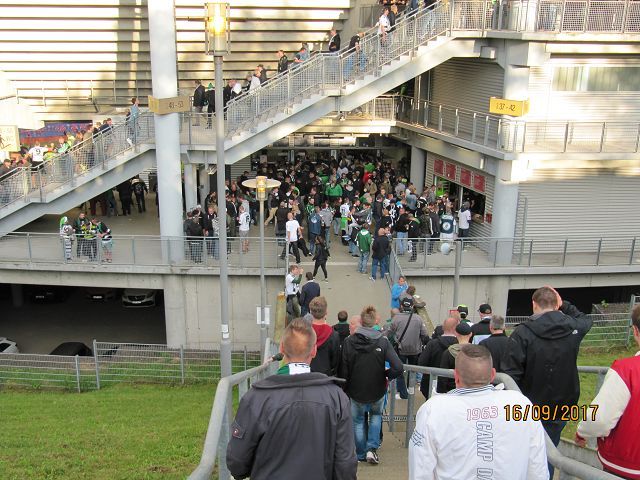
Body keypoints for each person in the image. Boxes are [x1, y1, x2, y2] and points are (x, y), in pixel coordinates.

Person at [226, 319, 357, 480]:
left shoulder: (255, 398)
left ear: (281, 348)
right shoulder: (337, 398)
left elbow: (237, 463)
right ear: (314, 350)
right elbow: (345, 464)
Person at [408, 345, 549, 480]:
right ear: (492, 374)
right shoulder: (520, 404)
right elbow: (537, 465)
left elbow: (421, 468)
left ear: (456, 376)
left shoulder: (434, 409)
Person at [501, 285, 592, 478]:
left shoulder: (522, 333)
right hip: (562, 404)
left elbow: (510, 373)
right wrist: (564, 304)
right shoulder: (573, 327)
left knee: (524, 450)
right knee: (550, 449)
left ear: (534, 304)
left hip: (529, 405)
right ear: (556, 304)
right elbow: (586, 319)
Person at [575, 303, 640, 479]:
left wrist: (582, 432)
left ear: (635, 331)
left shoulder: (626, 371)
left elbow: (600, 420)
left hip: (625, 466)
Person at [339, 305, 403, 465]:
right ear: (375, 322)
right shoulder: (383, 341)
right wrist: (386, 375)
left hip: (355, 389)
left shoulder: (349, 342)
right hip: (377, 387)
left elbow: (344, 368)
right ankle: (371, 449)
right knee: (376, 416)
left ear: (361, 322)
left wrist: (344, 388)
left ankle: (360, 453)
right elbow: (398, 367)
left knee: (358, 421)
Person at [387, 297, 429, 400]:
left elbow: (389, 332)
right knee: (412, 371)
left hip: (401, 349)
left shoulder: (396, 318)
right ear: (412, 306)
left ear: (401, 306)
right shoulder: (418, 318)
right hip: (415, 350)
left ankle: (403, 394)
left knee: (400, 371)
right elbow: (424, 334)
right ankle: (411, 391)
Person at [418, 316, 459, 399]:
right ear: (456, 328)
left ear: (443, 328)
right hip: (454, 384)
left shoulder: (432, 344)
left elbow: (422, 362)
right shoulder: (459, 345)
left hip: (431, 383)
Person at [308, 297, 341, 376]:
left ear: (310, 312)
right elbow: (335, 362)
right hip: (325, 376)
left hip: (306, 375)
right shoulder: (334, 335)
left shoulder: (303, 332)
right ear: (326, 312)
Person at [437, 321, 473, 393]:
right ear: (471, 334)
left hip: (452, 390)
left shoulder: (448, 352)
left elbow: (443, 376)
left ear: (456, 333)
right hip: (472, 390)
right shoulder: (477, 352)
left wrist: (441, 392)